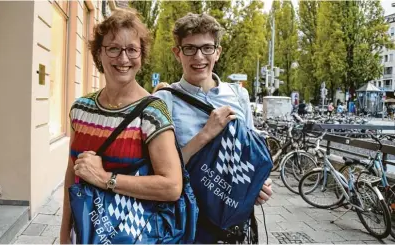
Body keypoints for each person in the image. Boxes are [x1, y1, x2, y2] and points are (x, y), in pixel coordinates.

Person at [60, 9, 183, 244]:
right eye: (114, 48)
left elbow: (172, 186)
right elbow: (71, 172)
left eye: (132, 50)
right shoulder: (81, 109)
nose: (123, 59)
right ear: (99, 53)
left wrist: (106, 178)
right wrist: (65, 233)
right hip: (84, 234)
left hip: (132, 235)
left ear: (141, 54)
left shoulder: (153, 112)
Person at [153, 13, 272, 243]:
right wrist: (205, 134)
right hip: (188, 223)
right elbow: (160, 172)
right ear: (177, 52)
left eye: (207, 48)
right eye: (189, 48)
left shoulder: (239, 95)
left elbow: (250, 156)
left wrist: (260, 185)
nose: (199, 56)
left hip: (233, 225)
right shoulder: (164, 101)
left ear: (218, 51)